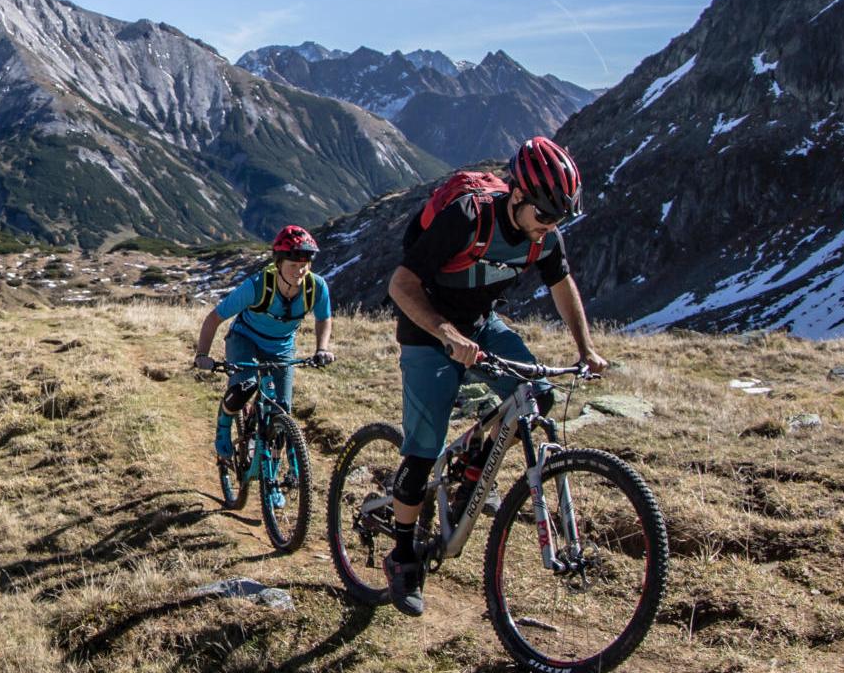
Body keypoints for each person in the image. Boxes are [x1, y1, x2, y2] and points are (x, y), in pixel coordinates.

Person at [379, 136, 608, 616]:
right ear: (518, 196)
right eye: (544, 217)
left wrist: (586, 349)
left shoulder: (544, 236)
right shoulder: (467, 216)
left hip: (482, 325)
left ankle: (472, 463)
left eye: (559, 221)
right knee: (422, 451)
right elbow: (400, 285)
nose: (548, 230)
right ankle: (402, 556)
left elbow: (563, 287)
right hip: (427, 329)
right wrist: (445, 334)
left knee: (537, 395)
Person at [192, 225, 335, 465]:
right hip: (244, 339)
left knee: (282, 411)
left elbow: (324, 318)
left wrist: (322, 348)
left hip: (282, 347)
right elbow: (214, 318)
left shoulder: (316, 287)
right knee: (245, 386)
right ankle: (224, 426)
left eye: (304, 266)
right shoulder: (257, 286)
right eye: (293, 266)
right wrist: (202, 354)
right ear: (278, 263)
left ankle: (273, 477)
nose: (299, 272)